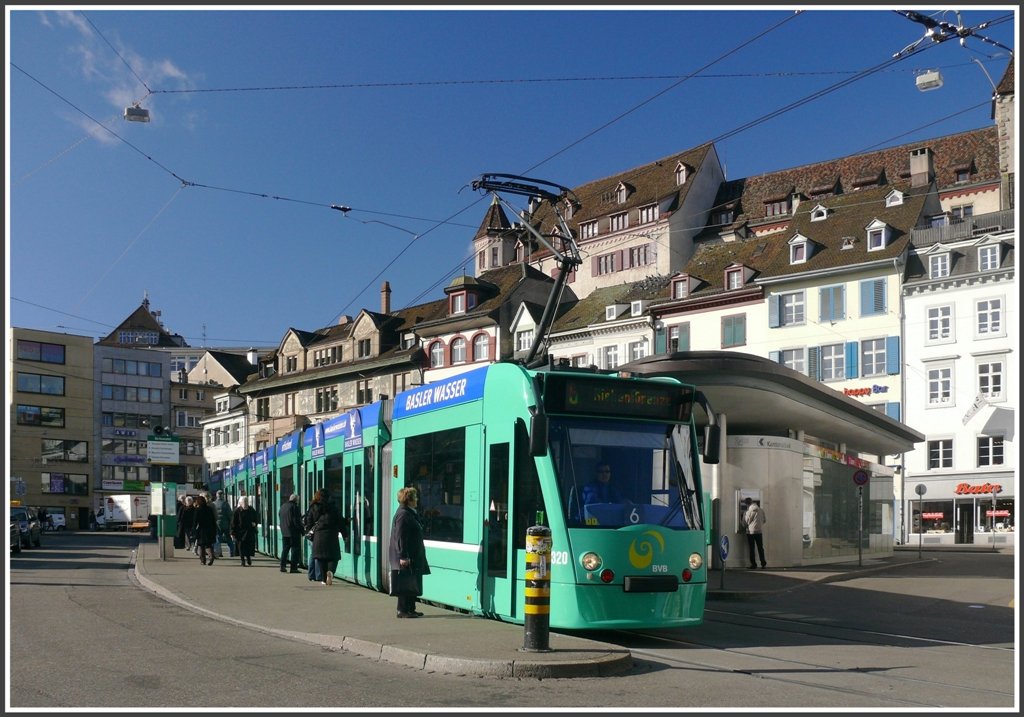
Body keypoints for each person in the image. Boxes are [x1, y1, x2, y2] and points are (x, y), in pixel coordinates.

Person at [388, 486, 430, 618]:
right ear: (409, 500)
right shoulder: (403, 515)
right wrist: (403, 555)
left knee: (412, 581)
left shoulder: (409, 513)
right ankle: (402, 610)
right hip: (407, 555)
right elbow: (400, 536)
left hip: (412, 554)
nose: (417, 500)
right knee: (405, 581)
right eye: (415, 497)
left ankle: (411, 608)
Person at [306, 489, 346, 585]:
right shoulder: (333, 508)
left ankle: (324, 580)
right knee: (333, 557)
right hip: (332, 536)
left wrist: (309, 533)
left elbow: (308, 522)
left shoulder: (313, 507)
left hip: (318, 536)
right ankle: (330, 572)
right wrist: (345, 535)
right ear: (328, 497)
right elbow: (340, 522)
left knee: (321, 559)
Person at [231, 495, 258, 567]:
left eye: (246, 502)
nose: (245, 503)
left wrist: (255, 523)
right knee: (241, 547)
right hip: (240, 532)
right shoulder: (237, 511)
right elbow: (233, 522)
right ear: (240, 503)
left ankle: (248, 558)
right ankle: (242, 560)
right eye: (244, 502)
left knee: (249, 546)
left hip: (249, 531)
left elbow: (256, 518)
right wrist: (232, 532)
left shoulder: (251, 510)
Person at [278, 493, 302, 573]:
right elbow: (296, 521)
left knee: (285, 549)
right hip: (293, 532)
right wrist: (302, 530)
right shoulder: (295, 507)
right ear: (296, 500)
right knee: (295, 550)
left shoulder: (283, 506)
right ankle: (293, 568)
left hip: (284, 532)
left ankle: (282, 566)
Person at [192, 494, 218, 566]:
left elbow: (195, 521)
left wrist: (194, 529)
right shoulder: (209, 509)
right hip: (210, 529)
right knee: (209, 544)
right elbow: (213, 519)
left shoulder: (198, 510)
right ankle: (211, 556)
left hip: (201, 529)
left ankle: (203, 560)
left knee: (201, 546)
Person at [742, 498, 767, 569]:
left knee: (752, 548)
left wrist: (744, 517)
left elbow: (745, 522)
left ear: (747, 504)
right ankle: (763, 563)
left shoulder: (748, 511)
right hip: (759, 531)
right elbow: (764, 520)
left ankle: (753, 564)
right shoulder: (761, 510)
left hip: (751, 532)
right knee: (760, 548)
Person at [213, 490, 235, 558]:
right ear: (222, 495)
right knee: (228, 538)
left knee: (218, 538)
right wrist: (230, 523)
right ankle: (232, 551)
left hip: (217, 524)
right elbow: (230, 515)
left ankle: (219, 553)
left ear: (217, 495)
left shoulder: (213, 504)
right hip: (225, 524)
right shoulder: (225, 504)